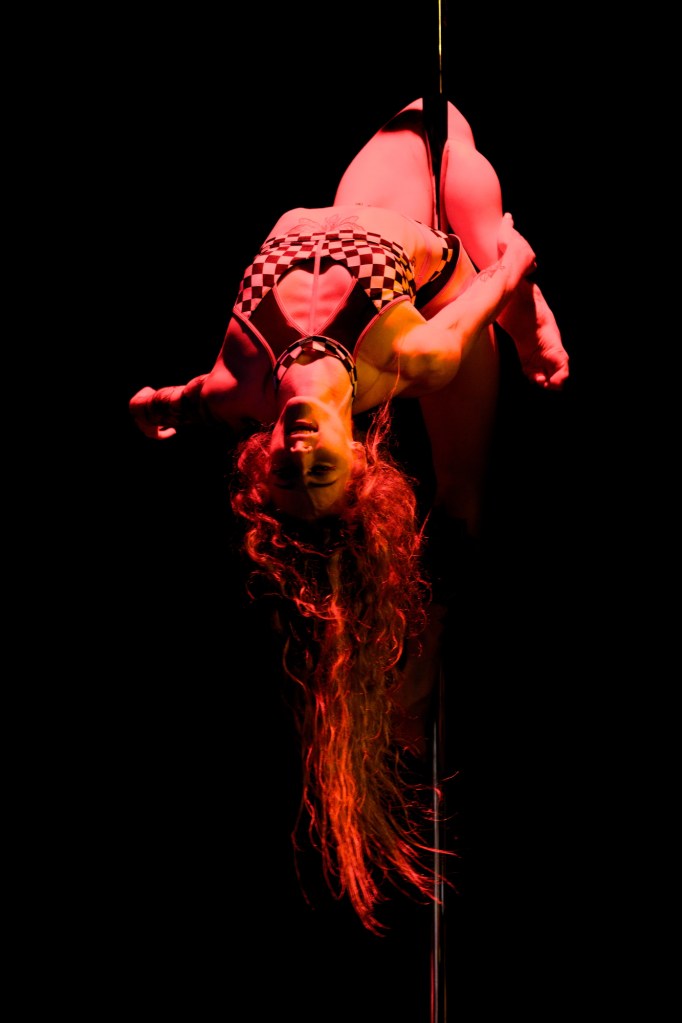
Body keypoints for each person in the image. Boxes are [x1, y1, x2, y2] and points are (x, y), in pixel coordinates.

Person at [128, 97, 569, 935]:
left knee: (418, 131)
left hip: (376, 183)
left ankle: (523, 318)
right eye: (321, 470)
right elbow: (510, 264)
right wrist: (520, 294)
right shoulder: (416, 355)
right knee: (463, 493)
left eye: (286, 471)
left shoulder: (238, 386)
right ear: (359, 456)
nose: (301, 454)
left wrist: (162, 405)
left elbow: (184, 398)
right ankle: (423, 654)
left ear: (263, 451)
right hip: (443, 277)